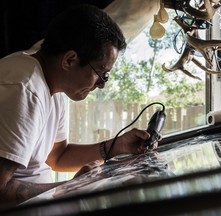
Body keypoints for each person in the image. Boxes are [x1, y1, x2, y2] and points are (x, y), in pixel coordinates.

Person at [0, 4, 157, 208]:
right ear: (70, 60)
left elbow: (57, 156)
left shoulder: (54, 84)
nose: (101, 85)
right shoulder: (24, 88)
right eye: (101, 73)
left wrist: (117, 147)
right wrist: (72, 187)